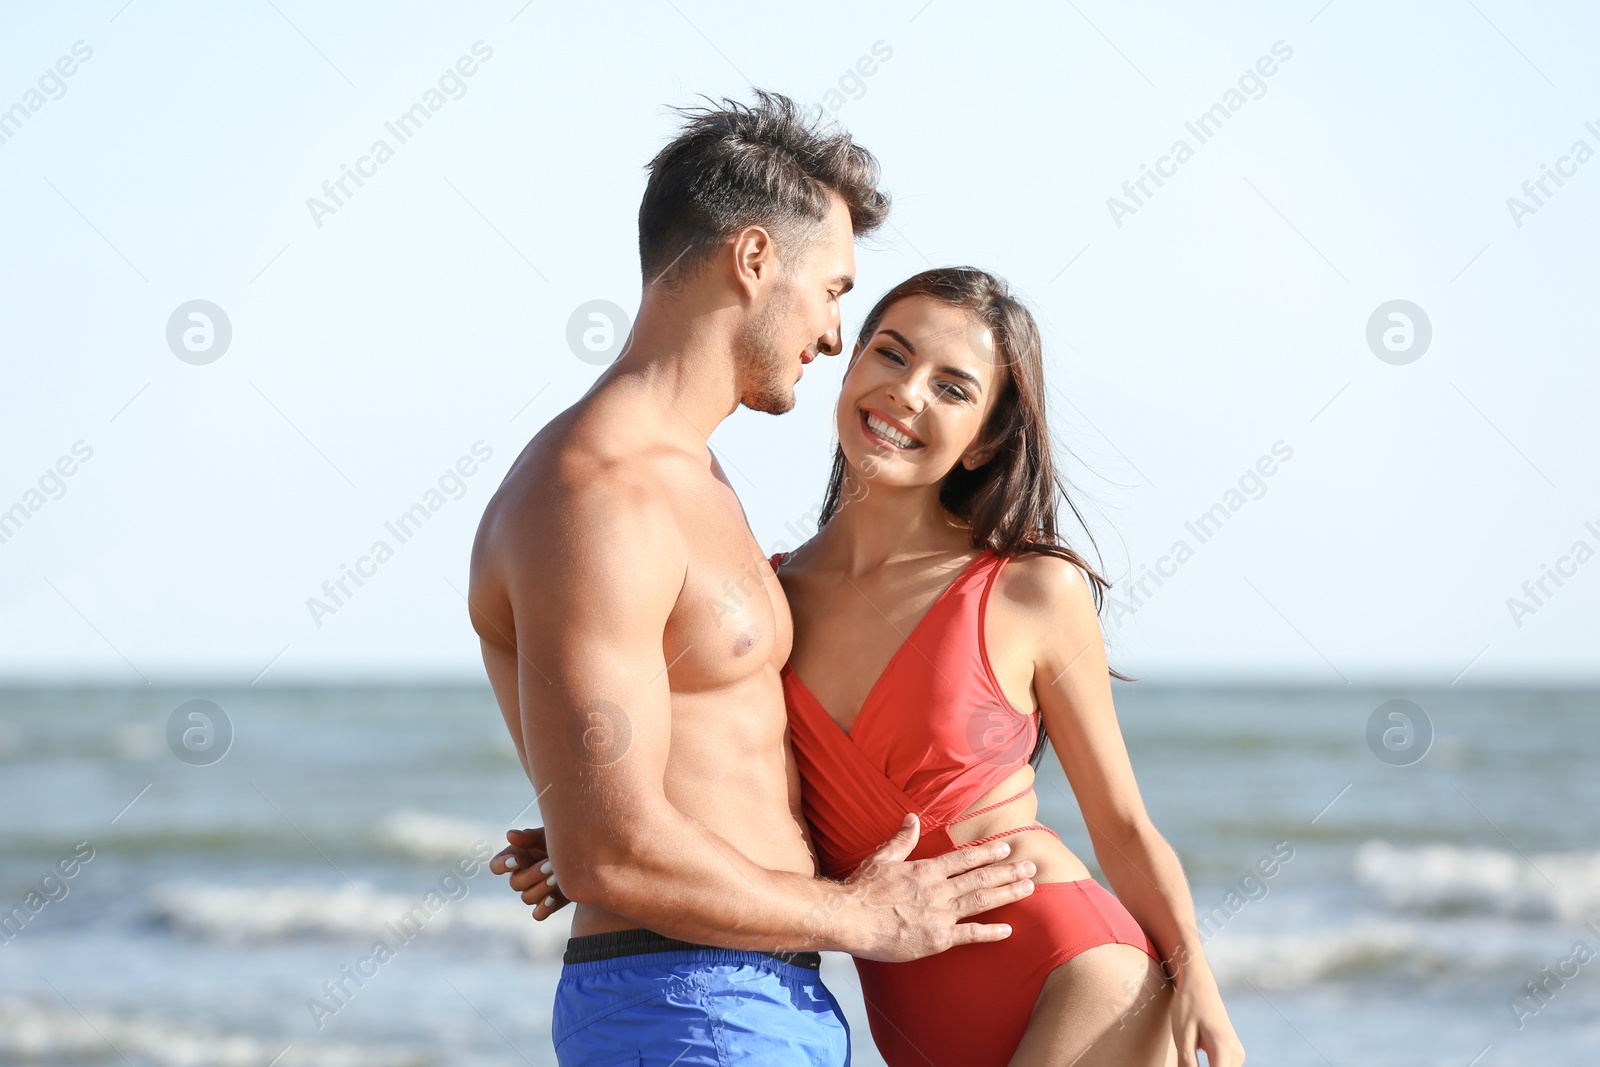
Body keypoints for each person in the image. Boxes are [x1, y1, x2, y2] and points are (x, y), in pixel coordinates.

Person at [504, 267, 1246, 1067]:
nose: (908, 392)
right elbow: (742, 784)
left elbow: (1123, 826)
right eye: (891, 355)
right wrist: (590, 829)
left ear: (987, 438)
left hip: (1074, 973)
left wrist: (1196, 974)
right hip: (908, 1008)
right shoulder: (773, 597)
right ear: (851, 362)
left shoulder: (1032, 588)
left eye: (953, 388)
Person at [468, 93, 1037, 1067]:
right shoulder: (597, 495)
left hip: (751, 997)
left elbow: (647, 786)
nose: (831, 335)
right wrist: (861, 915)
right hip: (685, 1003)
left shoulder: (692, 477)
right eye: (832, 288)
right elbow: (611, 847)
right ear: (754, 258)